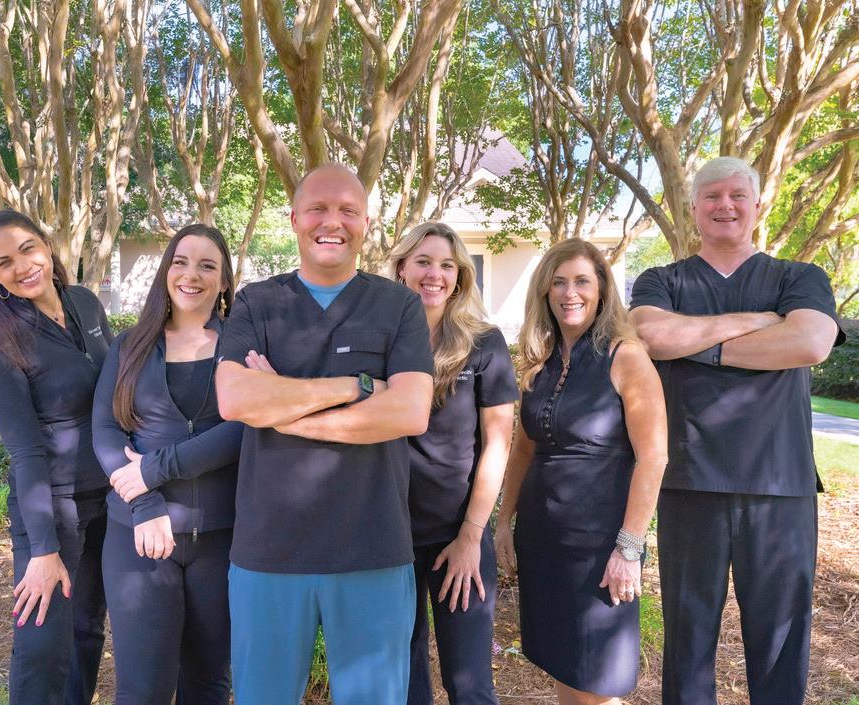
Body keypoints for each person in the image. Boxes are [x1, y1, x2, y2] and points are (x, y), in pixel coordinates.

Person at [215, 163, 435, 705]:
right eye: (317, 208)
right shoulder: (257, 302)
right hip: (269, 551)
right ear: (293, 218)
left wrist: (282, 409)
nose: (332, 222)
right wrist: (357, 386)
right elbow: (235, 399)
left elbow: (410, 411)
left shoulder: (399, 305)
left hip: (373, 549)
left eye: (347, 211)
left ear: (366, 222)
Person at [629, 156, 845, 705]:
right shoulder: (662, 280)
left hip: (779, 486)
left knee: (780, 640)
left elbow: (810, 342)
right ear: (693, 208)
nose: (724, 205)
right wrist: (758, 323)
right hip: (689, 482)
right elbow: (652, 338)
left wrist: (701, 346)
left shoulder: (798, 277)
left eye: (737, 195)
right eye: (712, 196)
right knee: (687, 638)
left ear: (757, 205)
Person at [494, 238, 668, 705]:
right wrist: (504, 521)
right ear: (545, 291)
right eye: (559, 282)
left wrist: (629, 548)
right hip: (543, 542)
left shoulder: (626, 356)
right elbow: (523, 449)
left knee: (598, 683)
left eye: (582, 282)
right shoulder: (541, 362)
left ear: (602, 290)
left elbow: (654, 457)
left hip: (600, 549)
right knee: (565, 668)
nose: (570, 293)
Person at [91, 224, 243, 704]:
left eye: (207, 265)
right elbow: (106, 430)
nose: (190, 275)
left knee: (208, 684)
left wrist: (154, 469)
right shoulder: (130, 345)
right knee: (143, 689)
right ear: (166, 271)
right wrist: (146, 503)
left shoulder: (242, 347)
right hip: (138, 538)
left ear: (224, 281)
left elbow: (245, 428)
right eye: (180, 262)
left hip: (222, 539)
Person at [0, 210, 112, 704]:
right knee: (43, 645)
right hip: (53, 507)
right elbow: (25, 452)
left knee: (87, 631)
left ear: (47, 245)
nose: (22, 266)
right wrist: (43, 551)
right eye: (4, 262)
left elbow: (118, 387)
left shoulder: (84, 304)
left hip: (110, 498)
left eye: (28, 248)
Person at [387, 222, 517, 705]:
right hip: (389, 534)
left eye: (446, 265)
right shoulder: (381, 339)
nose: (434, 274)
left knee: (469, 682)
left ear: (460, 276)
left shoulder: (484, 343)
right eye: (423, 262)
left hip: (459, 533)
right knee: (403, 678)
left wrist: (470, 536)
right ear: (402, 269)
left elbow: (498, 444)